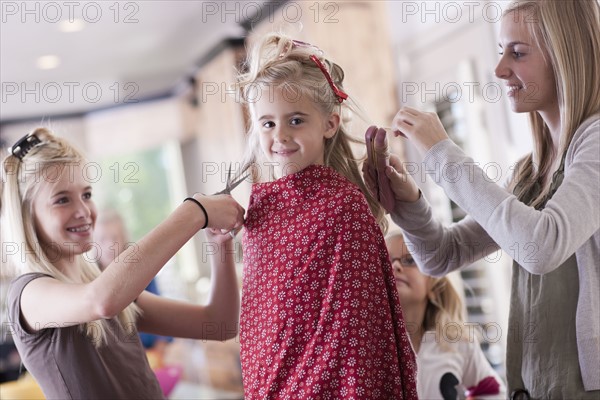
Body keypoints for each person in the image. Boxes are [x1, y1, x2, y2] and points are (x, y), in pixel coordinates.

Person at [365, 0, 600, 397]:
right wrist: (409, 204)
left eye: (518, 53)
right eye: (500, 52)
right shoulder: (530, 172)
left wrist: (442, 152)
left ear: (564, 56)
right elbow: (442, 256)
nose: (499, 70)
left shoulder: (595, 142)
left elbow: (541, 246)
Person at [233, 33, 417, 399]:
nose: (280, 135)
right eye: (267, 123)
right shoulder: (258, 213)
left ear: (330, 124)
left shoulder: (345, 207)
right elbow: (260, 325)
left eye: (296, 120)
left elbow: (361, 331)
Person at [1, 128, 245, 399]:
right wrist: (195, 212)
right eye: (62, 200)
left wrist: (219, 246)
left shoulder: (105, 284)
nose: (83, 211)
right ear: (27, 216)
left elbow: (219, 323)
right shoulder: (29, 294)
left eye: (86, 194)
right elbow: (101, 301)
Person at [386, 232, 506, 399]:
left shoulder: (455, 343)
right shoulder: (367, 344)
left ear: (435, 287)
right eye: (386, 261)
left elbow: (493, 391)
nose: (396, 266)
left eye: (410, 260)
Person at [94, 209, 173, 354]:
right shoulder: (90, 279)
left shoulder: (142, 270)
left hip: (150, 350)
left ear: (124, 238)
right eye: (103, 239)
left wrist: (161, 344)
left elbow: (161, 313)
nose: (110, 245)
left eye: (114, 237)